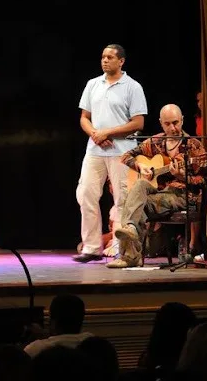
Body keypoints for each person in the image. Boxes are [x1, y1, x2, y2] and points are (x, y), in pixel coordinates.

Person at [109, 104, 207, 268]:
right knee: (140, 184)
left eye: (176, 122)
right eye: (168, 124)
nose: (173, 127)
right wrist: (140, 167)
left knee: (134, 204)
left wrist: (182, 176)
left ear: (182, 120)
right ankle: (131, 232)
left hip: (182, 195)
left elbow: (203, 181)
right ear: (161, 123)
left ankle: (129, 256)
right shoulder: (155, 142)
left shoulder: (193, 145)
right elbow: (126, 156)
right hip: (159, 194)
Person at [74, 44, 147, 262]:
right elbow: (84, 117)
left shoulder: (132, 87)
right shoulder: (92, 84)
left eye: (110, 57)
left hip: (122, 152)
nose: (105, 61)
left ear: (121, 61)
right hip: (95, 150)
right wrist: (96, 134)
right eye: (103, 57)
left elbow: (138, 122)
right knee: (86, 193)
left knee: (122, 198)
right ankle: (91, 247)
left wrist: (108, 133)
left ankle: (119, 247)